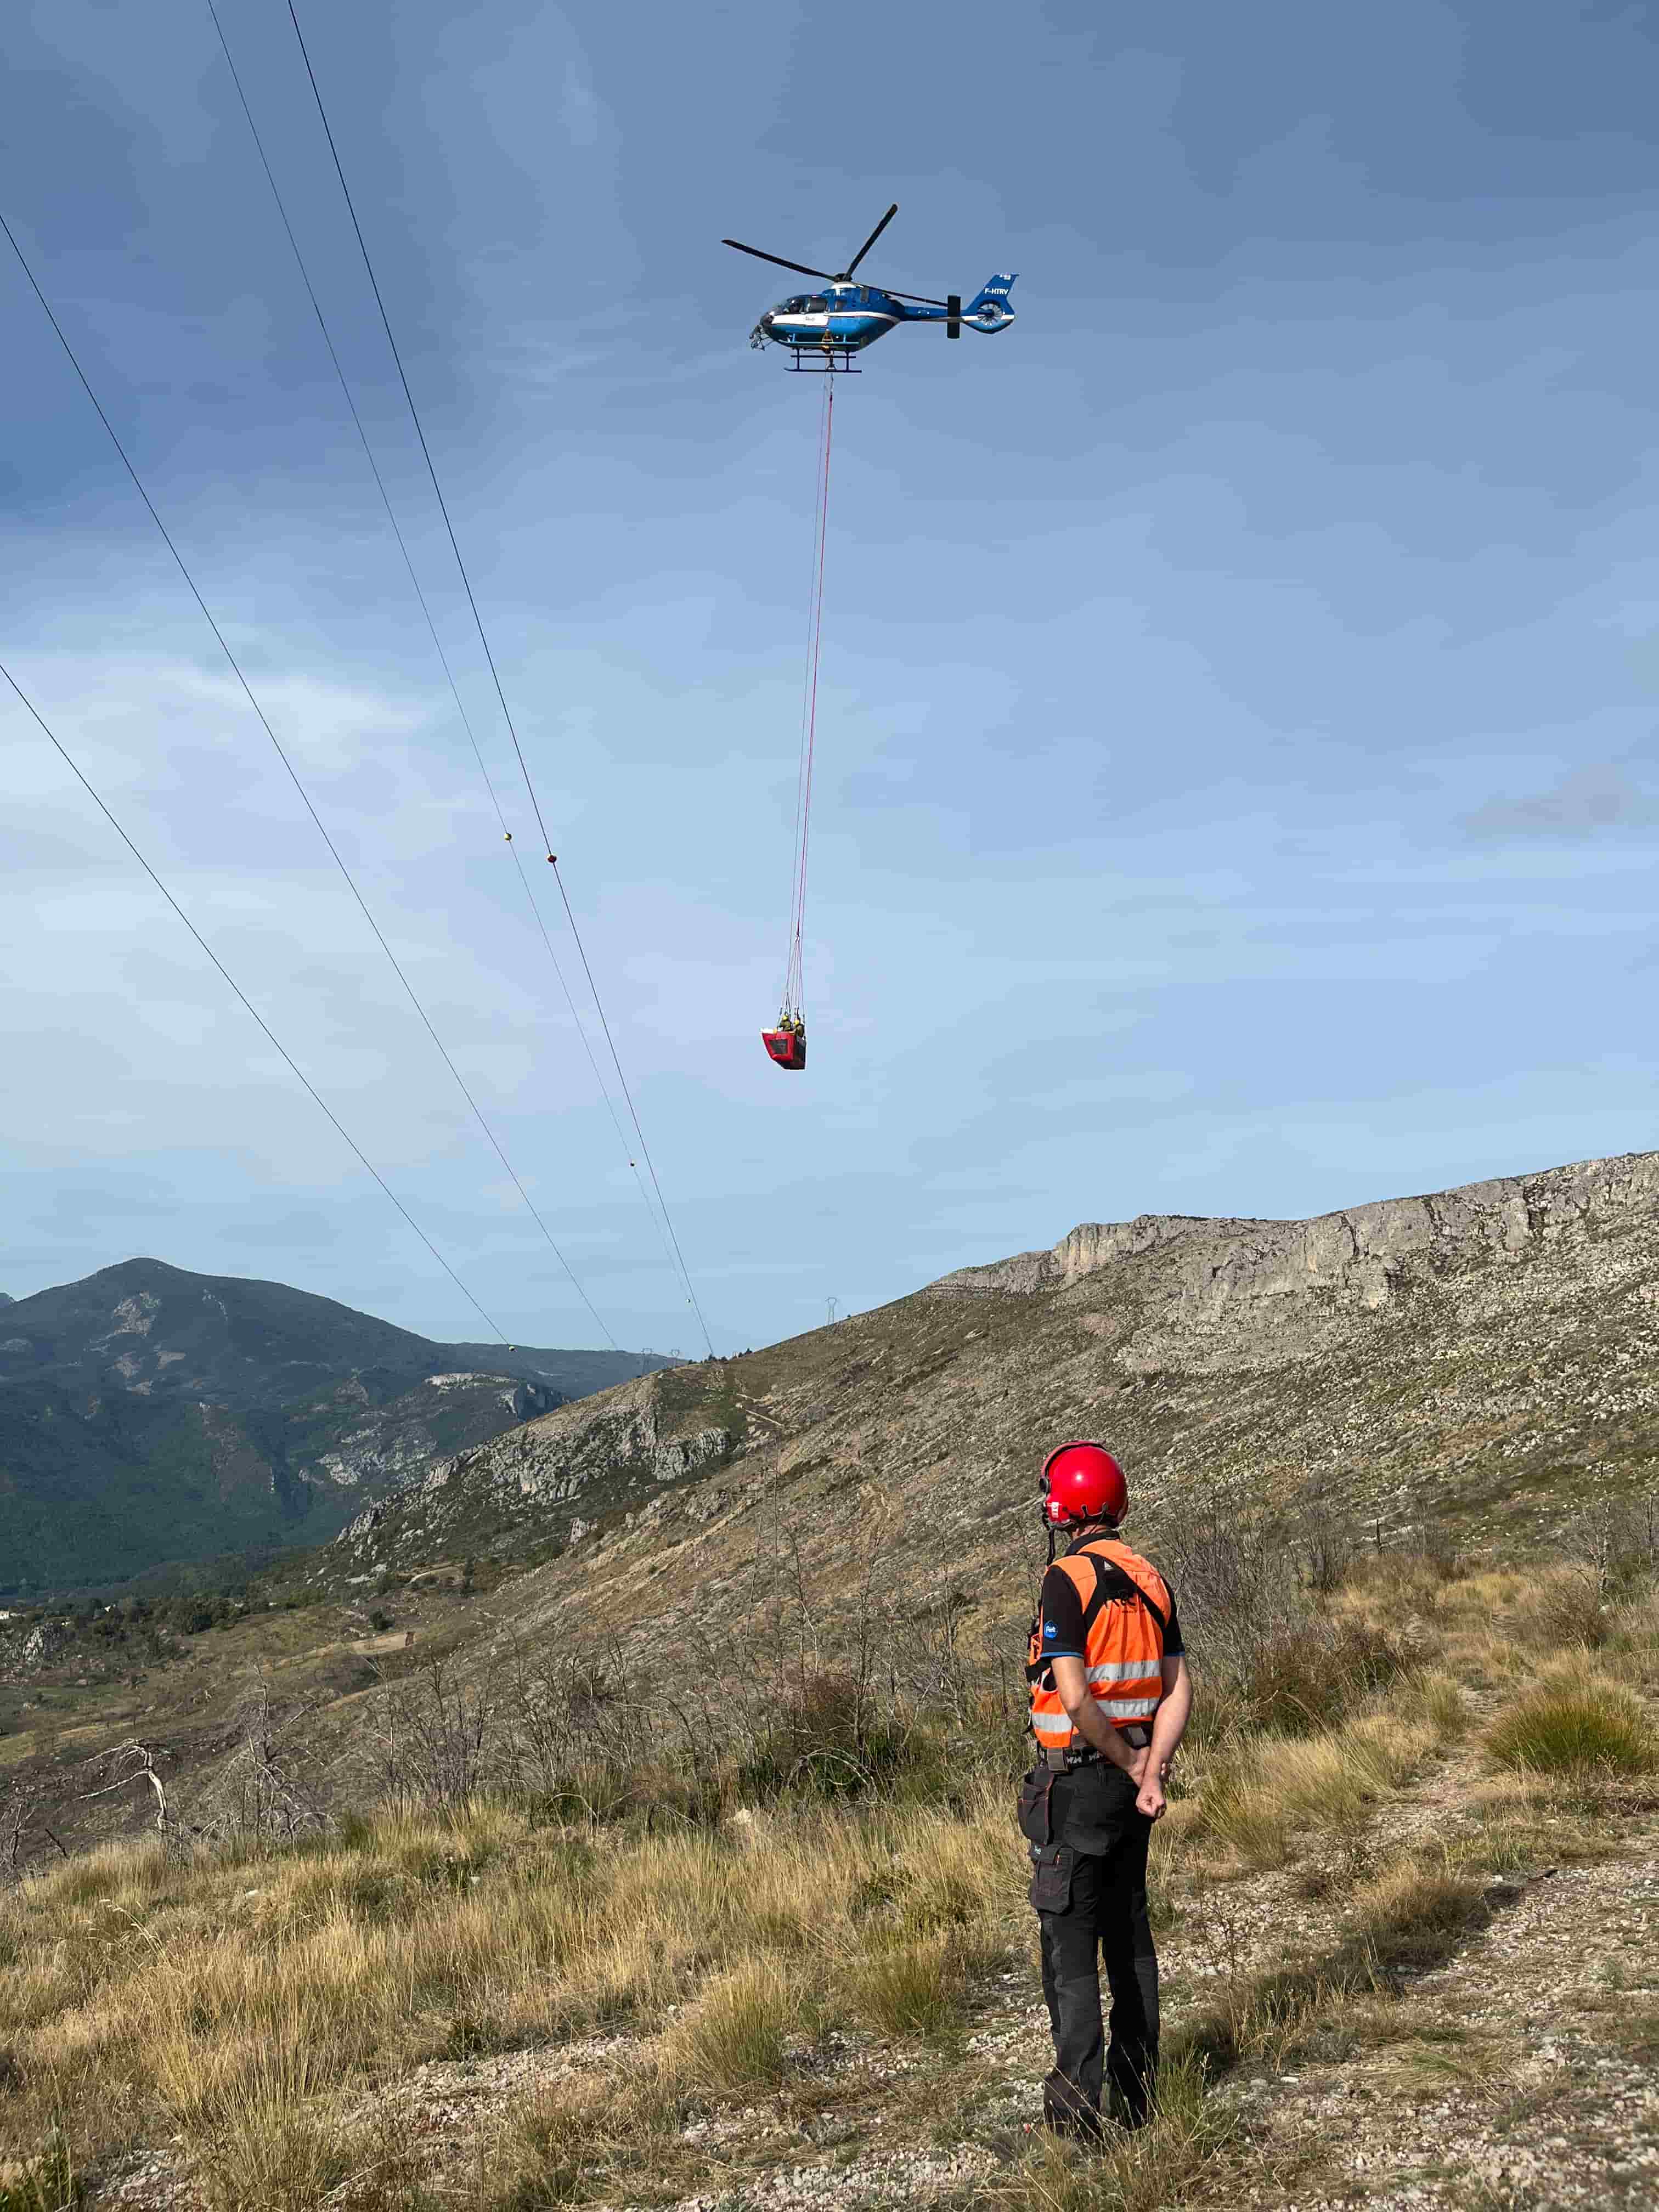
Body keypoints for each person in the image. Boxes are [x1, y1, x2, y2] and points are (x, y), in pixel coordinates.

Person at [1019, 1440, 1192, 2140]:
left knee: (1070, 1949)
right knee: (1130, 1939)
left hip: (1079, 1783)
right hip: (1132, 1791)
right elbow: (1178, 1688)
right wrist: (1150, 1770)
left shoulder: (1066, 1578)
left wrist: (1124, 1761)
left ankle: (1078, 2123)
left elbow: (1075, 1696)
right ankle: (1141, 2099)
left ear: (1070, 1507)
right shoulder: (1152, 1578)